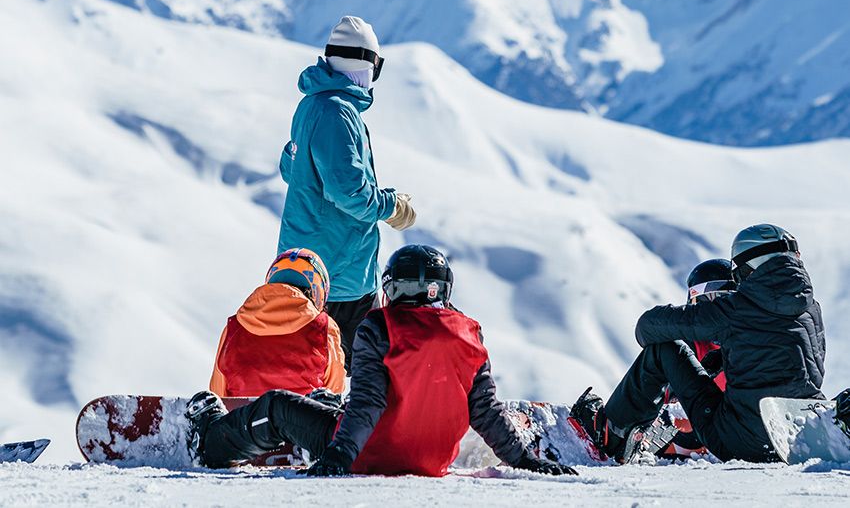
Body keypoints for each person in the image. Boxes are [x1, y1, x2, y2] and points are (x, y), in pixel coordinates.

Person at [185, 245, 577, 477]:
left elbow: (369, 402)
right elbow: (486, 412)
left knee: (276, 406)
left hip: (367, 452)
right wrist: (527, 460)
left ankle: (211, 442)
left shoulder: (380, 325)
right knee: (328, 403)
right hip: (432, 462)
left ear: (390, 290)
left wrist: (339, 456)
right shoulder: (469, 333)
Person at [572, 224, 825, 463]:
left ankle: (611, 433)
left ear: (746, 267)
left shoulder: (735, 310)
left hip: (744, 441)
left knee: (665, 350)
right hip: (796, 437)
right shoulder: (811, 310)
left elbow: (647, 327)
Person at [277, 16, 416, 369]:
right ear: (365, 64)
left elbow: (290, 169)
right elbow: (349, 191)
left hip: (307, 269)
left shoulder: (312, 104)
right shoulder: (337, 113)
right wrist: (392, 205)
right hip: (340, 277)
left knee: (311, 373)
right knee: (358, 376)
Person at [209, 248, 345, 398]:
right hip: (302, 418)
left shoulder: (233, 328)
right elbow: (334, 391)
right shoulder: (324, 328)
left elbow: (219, 393)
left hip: (243, 418)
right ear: (317, 291)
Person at [662, 258, 736, 457]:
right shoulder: (689, 345)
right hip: (687, 445)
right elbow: (671, 404)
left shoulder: (747, 344)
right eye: (712, 301)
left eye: (728, 301)